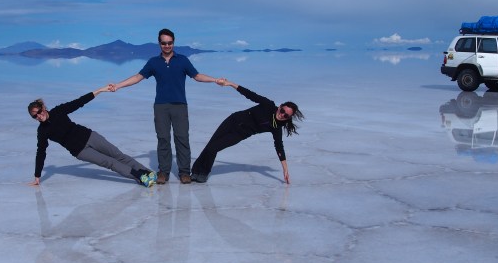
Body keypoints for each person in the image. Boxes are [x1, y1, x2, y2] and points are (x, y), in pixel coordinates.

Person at [108, 28, 224, 184]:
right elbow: (137, 77)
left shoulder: (182, 60)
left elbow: (197, 76)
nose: (167, 46)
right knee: (163, 139)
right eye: (164, 43)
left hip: (180, 106)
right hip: (161, 106)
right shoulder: (153, 62)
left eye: (170, 43)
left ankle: (184, 172)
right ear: (159, 44)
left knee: (182, 138)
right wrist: (118, 85)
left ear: (173, 43)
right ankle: (163, 172)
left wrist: (215, 80)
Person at [27, 86, 157, 187]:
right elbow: (41, 152)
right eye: (34, 116)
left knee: (118, 155)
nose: (38, 116)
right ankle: (139, 176)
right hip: (80, 151)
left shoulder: (58, 111)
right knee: (110, 162)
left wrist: (100, 90)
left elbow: (79, 102)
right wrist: (37, 176)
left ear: (43, 107)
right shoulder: (42, 131)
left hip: (90, 136)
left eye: (39, 112)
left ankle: (147, 172)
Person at [190, 79, 304, 184]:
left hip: (239, 134)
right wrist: (231, 84)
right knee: (210, 145)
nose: (282, 115)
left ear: (288, 118)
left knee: (213, 148)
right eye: (282, 111)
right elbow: (250, 95)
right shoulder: (268, 105)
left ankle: (203, 173)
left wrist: (285, 169)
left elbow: (279, 146)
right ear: (280, 107)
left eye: (286, 115)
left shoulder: (276, 127)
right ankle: (195, 172)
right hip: (232, 120)